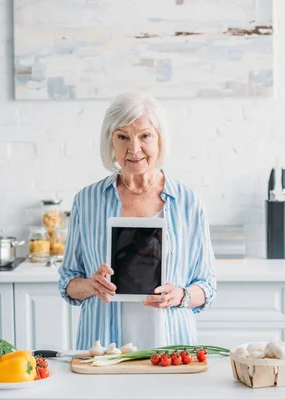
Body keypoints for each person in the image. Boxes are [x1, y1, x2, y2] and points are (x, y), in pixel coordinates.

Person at [58, 92, 217, 350]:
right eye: (123, 137)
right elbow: (67, 283)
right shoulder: (87, 200)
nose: (134, 149)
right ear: (111, 142)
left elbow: (207, 286)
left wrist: (180, 295)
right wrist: (91, 285)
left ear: (159, 140)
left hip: (171, 347)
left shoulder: (188, 202)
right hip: (103, 348)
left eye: (145, 136)